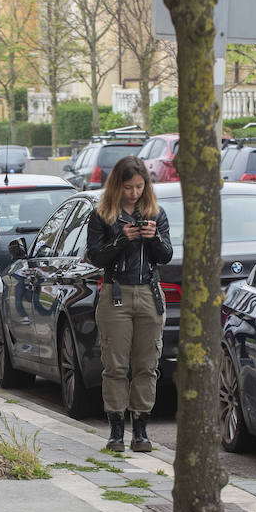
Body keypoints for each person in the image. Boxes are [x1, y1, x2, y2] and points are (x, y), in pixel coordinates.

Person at [85, 155, 172, 452]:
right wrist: (121, 239)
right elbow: (95, 257)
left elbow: (166, 255)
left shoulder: (156, 214)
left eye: (139, 186)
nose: (134, 193)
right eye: (128, 187)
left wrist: (153, 237)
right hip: (116, 293)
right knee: (115, 366)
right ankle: (116, 431)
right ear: (116, 186)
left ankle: (142, 431)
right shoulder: (102, 215)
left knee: (147, 365)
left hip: (149, 292)